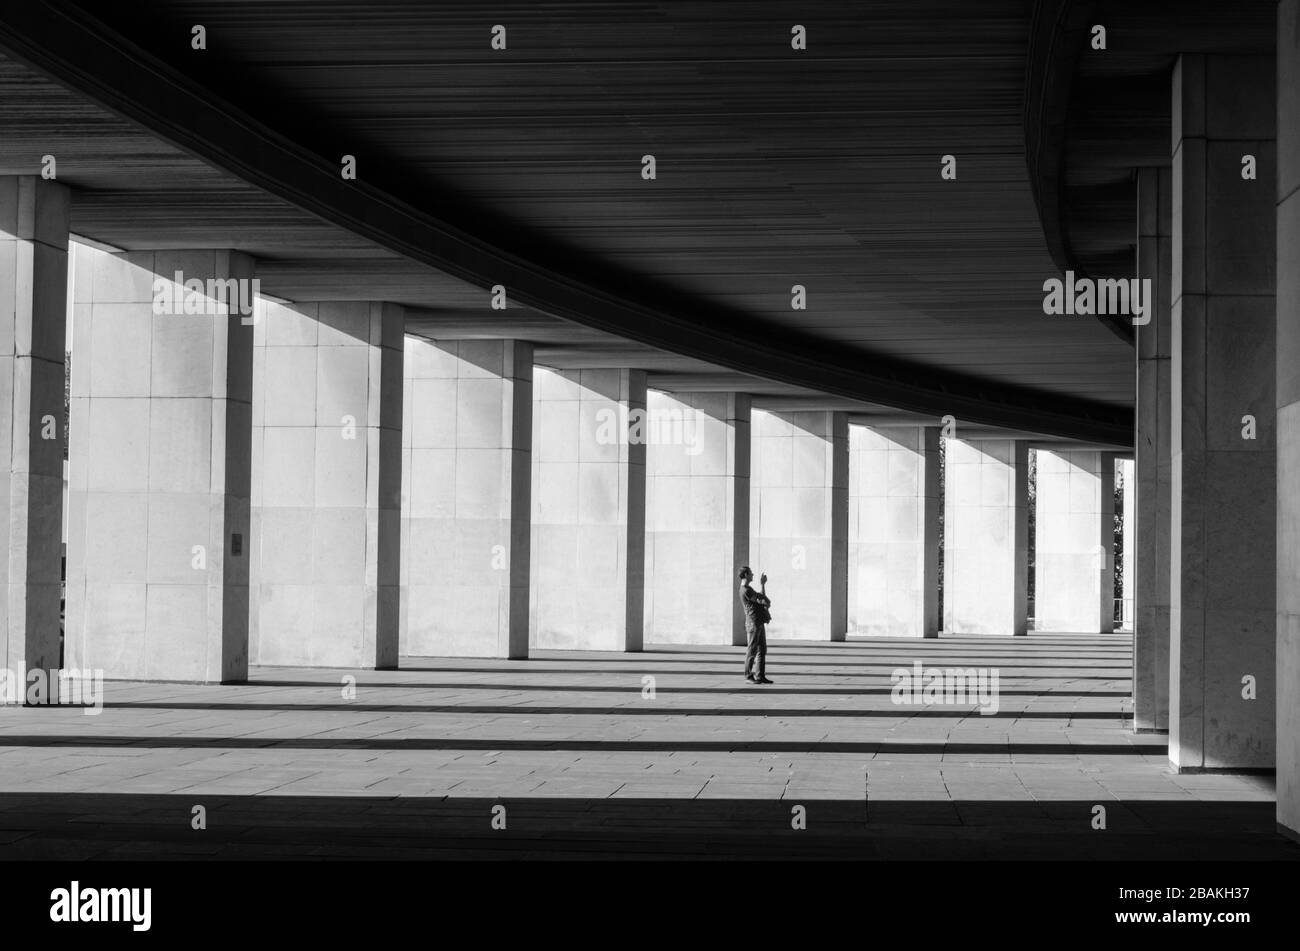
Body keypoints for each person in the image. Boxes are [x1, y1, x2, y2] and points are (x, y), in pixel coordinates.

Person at [738, 566, 773, 684]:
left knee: (762, 649)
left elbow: (761, 598)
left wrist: (763, 585)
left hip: (758, 621)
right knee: (752, 650)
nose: (753, 575)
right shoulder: (745, 590)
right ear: (746, 574)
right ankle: (748, 676)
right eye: (751, 573)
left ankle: (760, 675)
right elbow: (760, 600)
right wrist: (765, 601)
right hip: (753, 622)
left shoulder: (749, 588)